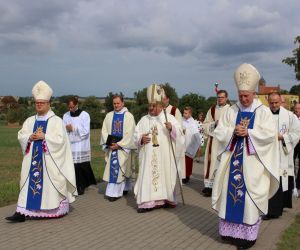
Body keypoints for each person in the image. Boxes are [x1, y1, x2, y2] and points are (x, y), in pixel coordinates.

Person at [212, 63, 279, 249]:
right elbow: (220, 132)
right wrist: (233, 131)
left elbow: (269, 135)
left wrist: (249, 133)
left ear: (254, 93)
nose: (243, 98)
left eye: (246, 96)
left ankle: (247, 237)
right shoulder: (231, 110)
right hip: (233, 161)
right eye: (240, 95)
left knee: (248, 200)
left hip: (252, 165)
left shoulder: (263, 112)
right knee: (229, 196)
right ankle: (229, 233)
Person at [6, 81, 77, 222]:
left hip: (49, 162)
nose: (39, 105)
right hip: (31, 161)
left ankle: (52, 209)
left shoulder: (56, 121)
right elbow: (21, 135)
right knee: (26, 182)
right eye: (37, 103)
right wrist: (29, 137)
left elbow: (61, 141)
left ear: (48, 103)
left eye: (42, 103)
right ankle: (21, 213)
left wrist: (45, 137)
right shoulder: (29, 120)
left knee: (49, 186)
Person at [134, 84, 185, 213]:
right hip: (148, 157)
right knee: (148, 176)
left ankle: (166, 199)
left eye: (154, 106)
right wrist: (141, 139)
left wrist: (172, 129)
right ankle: (147, 202)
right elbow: (135, 136)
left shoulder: (169, 119)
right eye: (149, 106)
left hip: (165, 157)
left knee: (165, 174)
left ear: (161, 106)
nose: (151, 108)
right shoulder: (143, 120)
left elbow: (180, 135)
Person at [263, 93, 300, 219]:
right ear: (268, 102)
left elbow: (297, 133)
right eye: (271, 103)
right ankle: (268, 208)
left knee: (279, 180)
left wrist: (283, 137)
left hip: (282, 153)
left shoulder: (290, 116)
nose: (274, 105)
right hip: (267, 154)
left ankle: (273, 211)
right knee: (268, 180)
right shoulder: (263, 115)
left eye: (276, 102)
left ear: (280, 101)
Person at [100, 94, 136, 202]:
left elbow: (130, 133)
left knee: (124, 169)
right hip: (112, 147)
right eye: (114, 103)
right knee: (114, 169)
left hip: (123, 147)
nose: (116, 105)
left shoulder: (129, 116)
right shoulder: (109, 116)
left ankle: (124, 188)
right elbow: (104, 131)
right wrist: (110, 144)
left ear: (123, 103)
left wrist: (119, 144)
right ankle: (113, 193)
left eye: (118, 103)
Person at [63, 96, 97, 195]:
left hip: (81, 144)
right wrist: (66, 128)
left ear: (76, 105)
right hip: (71, 145)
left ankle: (82, 185)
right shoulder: (65, 116)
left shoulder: (84, 115)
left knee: (81, 165)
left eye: (72, 107)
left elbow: (86, 131)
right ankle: (75, 186)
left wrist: (73, 128)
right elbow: (62, 128)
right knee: (73, 166)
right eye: (69, 107)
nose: (70, 109)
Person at [202, 90, 230, 197]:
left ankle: (221, 186)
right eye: (218, 97)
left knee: (222, 163)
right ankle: (209, 186)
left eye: (222, 97)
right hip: (213, 141)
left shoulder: (230, 110)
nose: (220, 99)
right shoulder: (212, 110)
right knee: (211, 162)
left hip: (224, 141)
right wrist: (214, 124)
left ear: (226, 98)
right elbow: (205, 124)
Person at [162, 89, 186, 180]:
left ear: (168, 99)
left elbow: (180, 129)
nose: (162, 101)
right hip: (161, 144)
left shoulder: (174, 110)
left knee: (172, 169)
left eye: (163, 99)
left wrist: (172, 128)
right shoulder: (157, 110)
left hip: (172, 143)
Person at [182, 106, 202, 184]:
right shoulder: (181, 120)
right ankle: (182, 174)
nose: (184, 114)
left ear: (190, 114)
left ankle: (187, 175)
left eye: (186, 113)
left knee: (188, 161)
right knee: (182, 161)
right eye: (183, 112)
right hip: (182, 144)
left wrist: (198, 146)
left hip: (190, 144)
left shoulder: (193, 123)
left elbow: (196, 135)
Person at [293, 103, 300, 189]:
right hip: (293, 144)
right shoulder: (291, 118)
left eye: (299, 108)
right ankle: (293, 183)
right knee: (292, 162)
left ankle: (298, 184)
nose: (297, 110)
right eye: (296, 108)